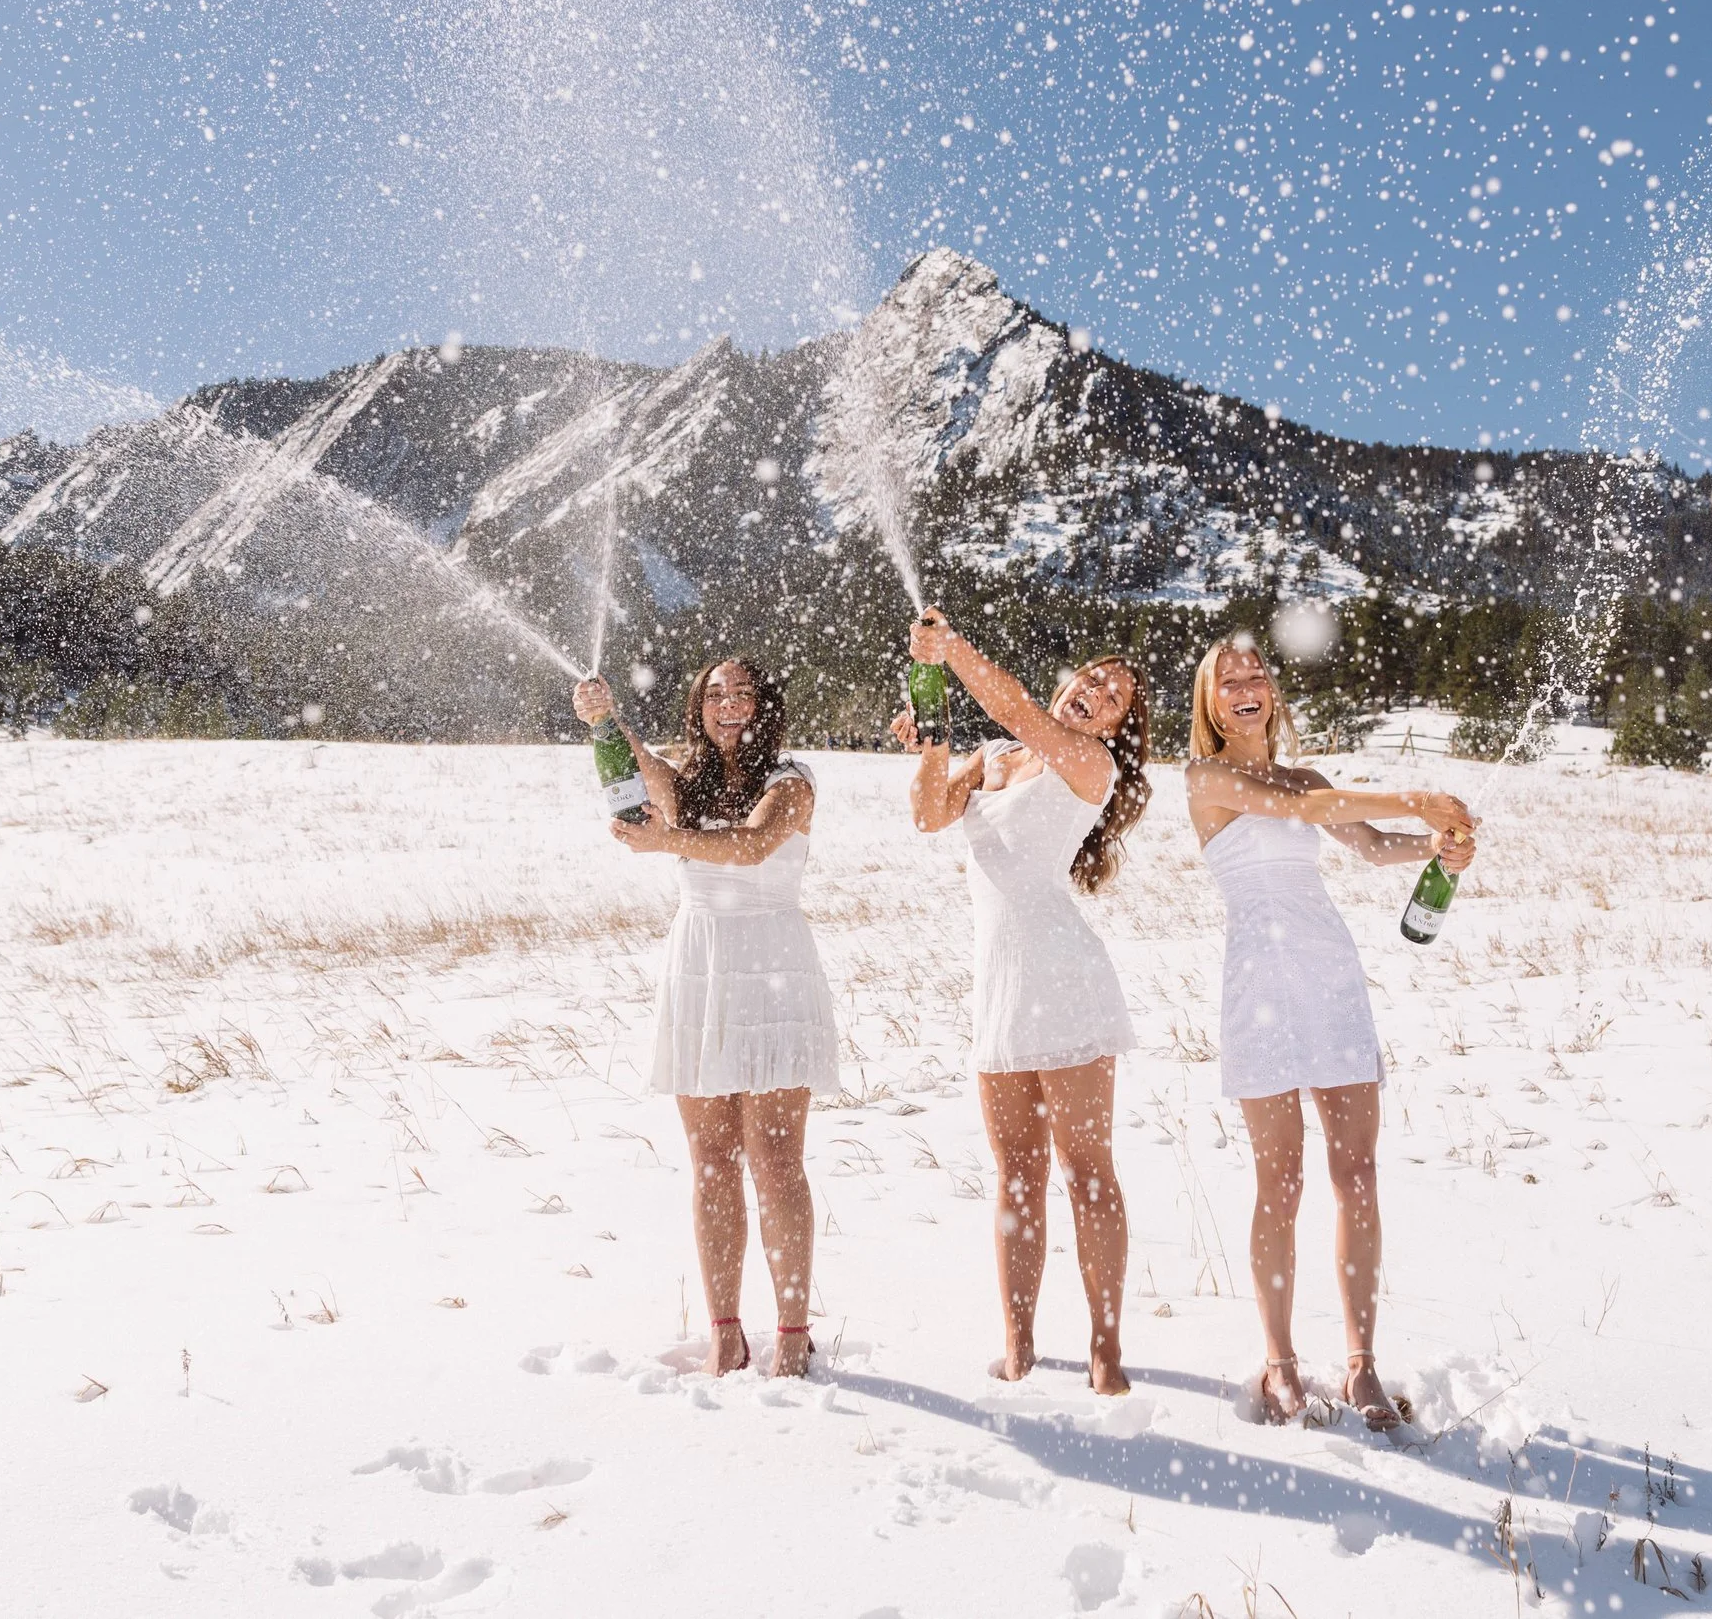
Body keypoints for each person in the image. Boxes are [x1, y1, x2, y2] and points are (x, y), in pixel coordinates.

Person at [1182, 635, 1477, 1431]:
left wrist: (1438, 847)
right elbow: (1310, 814)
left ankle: (1360, 1362)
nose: (1246, 686)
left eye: (1257, 673)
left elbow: (1372, 848)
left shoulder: (1307, 776)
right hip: (1258, 986)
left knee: (1358, 1175)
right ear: (1209, 701)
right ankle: (1280, 1361)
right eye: (1228, 679)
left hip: (1330, 978)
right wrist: (1416, 795)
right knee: (1280, 1181)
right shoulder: (1206, 777)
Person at [889, 610, 1150, 1396]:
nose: (1095, 691)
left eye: (1112, 696)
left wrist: (951, 649)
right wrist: (933, 745)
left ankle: (1106, 1348)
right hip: (999, 990)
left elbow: (1014, 707)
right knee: (1016, 1177)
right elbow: (929, 814)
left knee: (1088, 1172)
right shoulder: (997, 758)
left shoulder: (1089, 763)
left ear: (1113, 727)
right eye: (1093, 677)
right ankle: (1019, 1343)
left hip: (1067, 983)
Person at [574, 658, 838, 1379]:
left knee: (776, 1162)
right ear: (699, 707)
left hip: (773, 967)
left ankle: (792, 1332)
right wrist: (604, 717)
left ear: (764, 705)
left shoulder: (792, 779)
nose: (729, 704)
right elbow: (636, 763)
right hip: (700, 969)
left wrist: (667, 841)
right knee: (713, 1162)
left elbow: (751, 847)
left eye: (743, 692)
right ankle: (725, 1330)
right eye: (715, 693)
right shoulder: (684, 781)